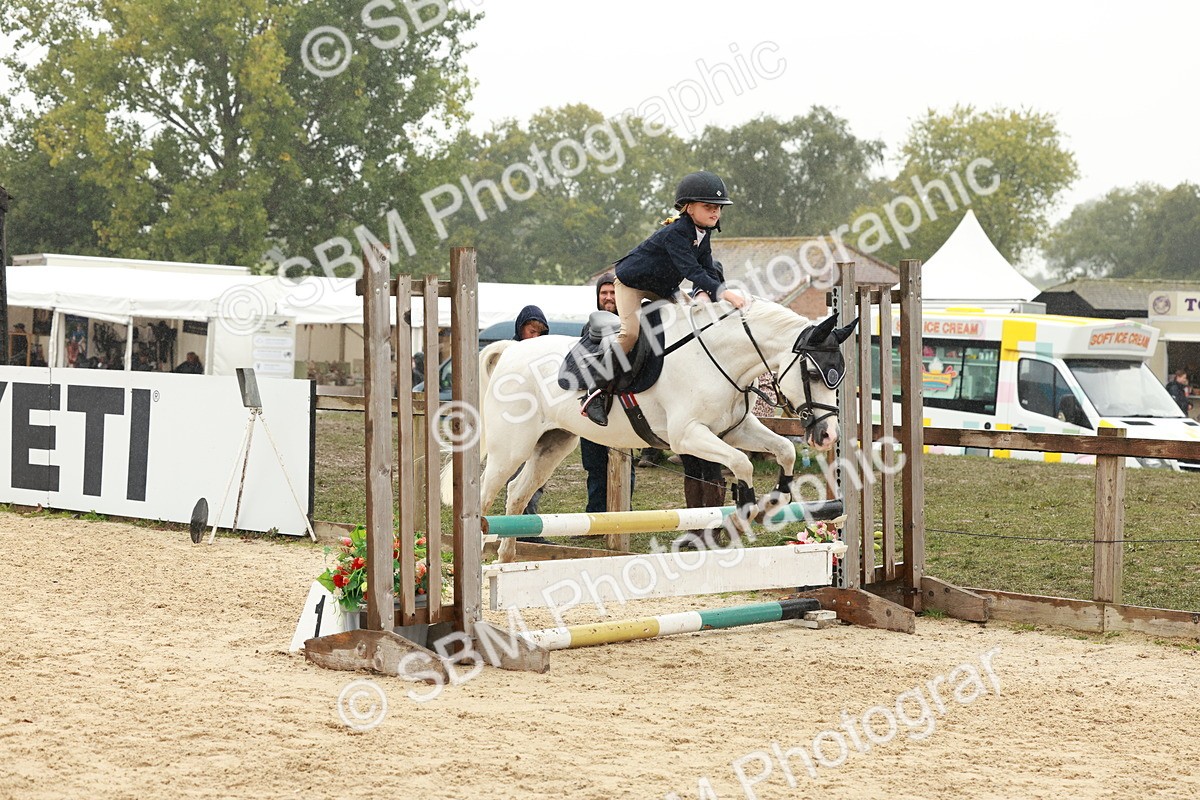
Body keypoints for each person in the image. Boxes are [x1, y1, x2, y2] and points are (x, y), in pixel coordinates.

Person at [581, 170, 747, 425]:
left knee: (687, 326)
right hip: (631, 284)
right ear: (689, 208)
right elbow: (691, 272)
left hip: (662, 287)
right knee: (630, 333)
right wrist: (725, 293)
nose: (716, 212)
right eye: (709, 207)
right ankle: (596, 389)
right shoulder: (677, 232)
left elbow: (707, 267)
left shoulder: (704, 232)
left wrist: (718, 298)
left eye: (718, 208)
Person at [579, 273, 636, 512]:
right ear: (598, 297)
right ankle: (596, 516)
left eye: (612, 293)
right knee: (594, 465)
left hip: (623, 406)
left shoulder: (630, 325)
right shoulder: (588, 328)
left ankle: (623, 514)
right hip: (594, 404)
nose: (609, 297)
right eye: (604, 293)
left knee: (624, 463)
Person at [509, 305, 552, 539]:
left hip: (541, 424)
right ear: (521, 328)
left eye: (539, 333)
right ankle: (523, 530)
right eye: (531, 331)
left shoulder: (545, 357)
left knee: (537, 477)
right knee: (518, 476)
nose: (534, 337)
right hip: (515, 426)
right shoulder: (510, 354)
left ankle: (527, 529)